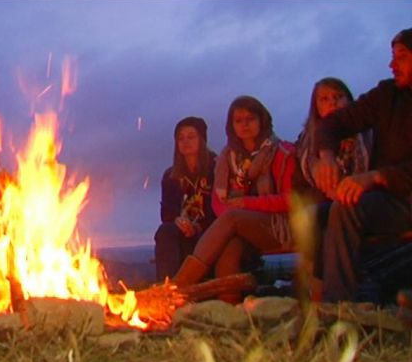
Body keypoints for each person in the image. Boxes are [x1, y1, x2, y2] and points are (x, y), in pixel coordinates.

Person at [313, 28, 412, 303]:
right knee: (327, 211)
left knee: (345, 206)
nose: (392, 65)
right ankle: (330, 301)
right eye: (392, 57)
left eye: (401, 57)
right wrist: (327, 156)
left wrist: (376, 177)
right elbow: (334, 123)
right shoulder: (388, 95)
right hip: (390, 201)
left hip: (404, 196)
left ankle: (338, 305)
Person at [172, 96, 297, 303]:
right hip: (241, 227)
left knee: (232, 219)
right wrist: (238, 214)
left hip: (279, 225)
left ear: (262, 120)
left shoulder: (282, 153)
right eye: (238, 120)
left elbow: (291, 201)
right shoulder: (227, 159)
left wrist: (246, 206)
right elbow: (219, 203)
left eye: (250, 119)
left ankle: (178, 287)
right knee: (229, 247)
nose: (244, 125)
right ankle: (229, 310)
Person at [293, 77, 372, 300]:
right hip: (320, 202)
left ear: (349, 100)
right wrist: (325, 188)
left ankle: (323, 299)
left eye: (338, 97)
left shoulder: (366, 134)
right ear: (315, 105)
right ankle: (319, 297)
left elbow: (375, 169)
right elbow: (299, 186)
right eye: (324, 99)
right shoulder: (307, 141)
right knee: (319, 216)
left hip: (360, 198)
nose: (332, 103)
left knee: (327, 217)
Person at [153, 117, 217, 282]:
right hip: (182, 231)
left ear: (201, 139)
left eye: (191, 136)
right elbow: (166, 212)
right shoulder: (171, 176)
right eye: (180, 138)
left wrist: (197, 227)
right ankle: (167, 290)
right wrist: (178, 221)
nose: (185, 141)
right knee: (165, 232)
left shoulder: (217, 168)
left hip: (212, 231)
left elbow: (221, 208)